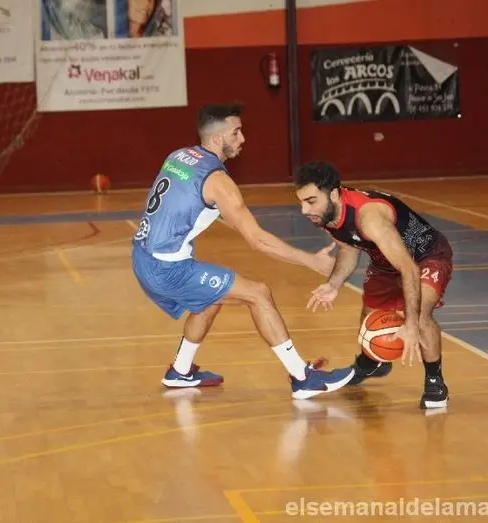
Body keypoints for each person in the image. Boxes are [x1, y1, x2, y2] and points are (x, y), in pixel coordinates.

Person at [131, 103, 356, 399]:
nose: (243, 138)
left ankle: (180, 371)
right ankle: (303, 378)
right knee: (258, 293)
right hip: (166, 267)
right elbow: (257, 241)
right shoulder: (218, 182)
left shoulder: (179, 156)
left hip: (143, 255)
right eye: (236, 132)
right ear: (217, 138)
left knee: (210, 298)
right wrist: (311, 261)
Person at [293, 161, 452, 409]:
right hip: (384, 261)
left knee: (419, 316)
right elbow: (348, 248)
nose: (304, 210)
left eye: (311, 201)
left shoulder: (370, 216)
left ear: (333, 194)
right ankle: (373, 363)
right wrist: (333, 284)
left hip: (426, 256)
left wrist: (410, 324)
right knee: (369, 315)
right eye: (301, 202)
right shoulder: (326, 214)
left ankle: (435, 381)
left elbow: (409, 269)